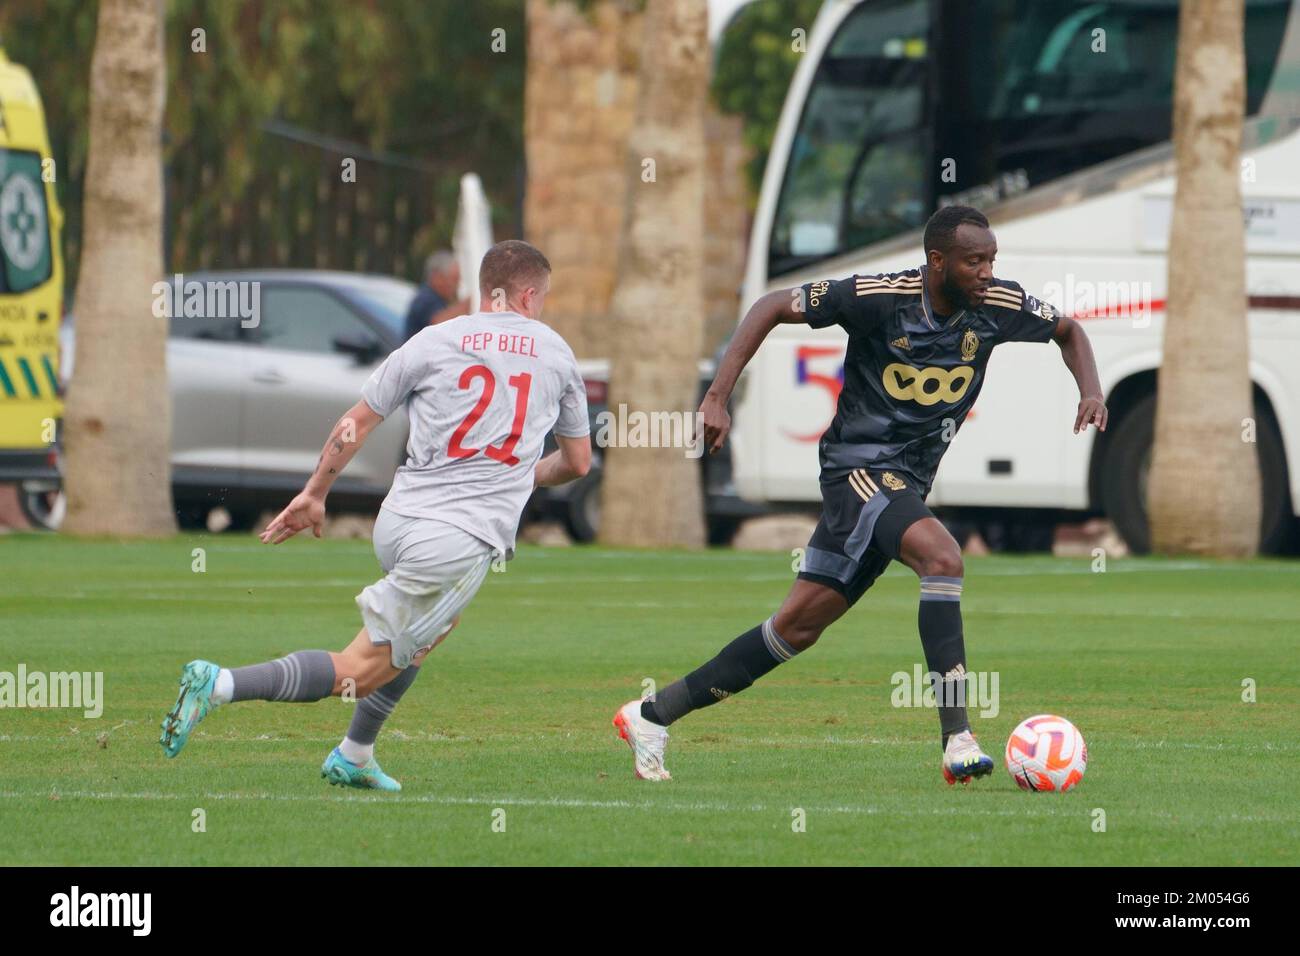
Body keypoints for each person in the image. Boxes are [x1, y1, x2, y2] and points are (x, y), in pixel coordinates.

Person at [614, 205, 1108, 784]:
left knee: (795, 628)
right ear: (937, 261)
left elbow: (1068, 331)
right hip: (857, 469)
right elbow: (773, 305)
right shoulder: (879, 296)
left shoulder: (997, 306)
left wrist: (1091, 392)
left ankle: (652, 715)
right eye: (975, 261)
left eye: (992, 260)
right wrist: (717, 396)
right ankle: (958, 739)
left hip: (906, 482)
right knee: (942, 558)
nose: (987, 272)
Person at [160, 240, 592, 791]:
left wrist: (315, 493)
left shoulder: (435, 338)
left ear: (486, 291)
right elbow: (578, 461)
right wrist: (519, 473)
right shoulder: (555, 352)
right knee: (360, 672)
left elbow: (356, 422)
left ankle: (355, 753)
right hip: (455, 540)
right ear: (529, 295)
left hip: (399, 519)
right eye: (544, 298)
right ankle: (219, 684)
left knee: (434, 629)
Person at [403, 250, 469, 341]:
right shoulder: (425, 299)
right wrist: (469, 303)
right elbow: (438, 324)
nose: (457, 286)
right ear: (437, 277)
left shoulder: (437, 299)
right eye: (454, 280)